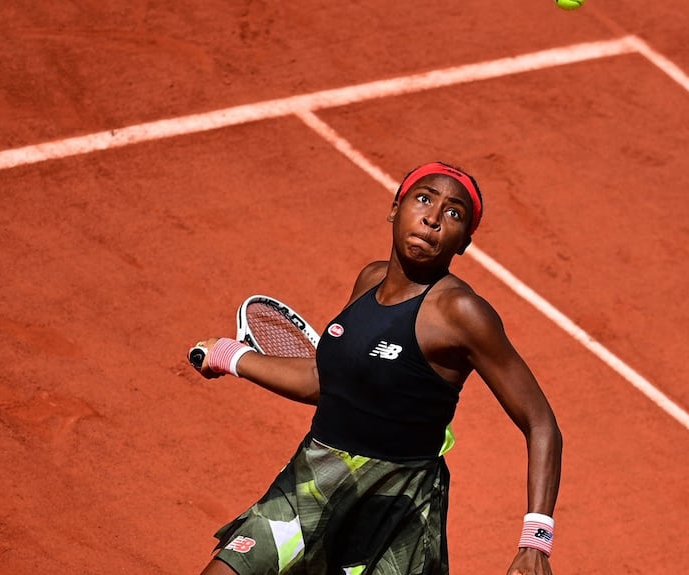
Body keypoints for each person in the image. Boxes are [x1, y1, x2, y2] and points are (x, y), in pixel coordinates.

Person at [191, 161, 562, 575]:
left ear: (464, 244)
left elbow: (541, 422)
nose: (433, 218)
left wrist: (536, 541)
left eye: (454, 213)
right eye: (423, 199)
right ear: (395, 209)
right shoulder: (369, 279)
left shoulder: (461, 313)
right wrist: (232, 357)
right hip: (311, 479)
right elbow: (323, 379)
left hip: (396, 507)